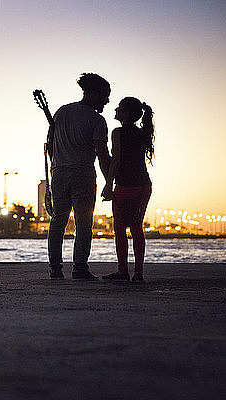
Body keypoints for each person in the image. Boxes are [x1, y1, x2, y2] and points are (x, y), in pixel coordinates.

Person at [47, 73, 112, 280]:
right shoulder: (97, 120)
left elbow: (50, 146)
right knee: (84, 223)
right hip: (83, 174)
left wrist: (57, 166)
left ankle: (55, 269)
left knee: (58, 221)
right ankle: (80, 268)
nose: (107, 101)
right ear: (93, 93)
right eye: (105, 96)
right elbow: (102, 154)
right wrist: (109, 181)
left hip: (58, 173)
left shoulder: (61, 112)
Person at [101, 97, 154, 282]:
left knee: (120, 229)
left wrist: (108, 185)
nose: (115, 109)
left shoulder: (118, 132)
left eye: (119, 108)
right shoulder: (142, 133)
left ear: (126, 113)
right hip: (144, 186)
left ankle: (123, 271)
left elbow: (116, 160)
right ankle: (138, 273)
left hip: (125, 186)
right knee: (137, 228)